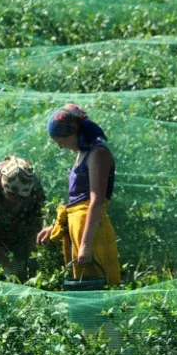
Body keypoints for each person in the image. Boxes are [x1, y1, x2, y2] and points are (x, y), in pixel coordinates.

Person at [37, 104, 121, 286]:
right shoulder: (83, 153)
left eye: (61, 140)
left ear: (74, 133)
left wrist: (85, 244)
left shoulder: (98, 153)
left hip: (92, 231)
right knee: (83, 283)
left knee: (98, 285)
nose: (60, 147)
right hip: (79, 228)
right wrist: (55, 227)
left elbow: (96, 200)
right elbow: (77, 200)